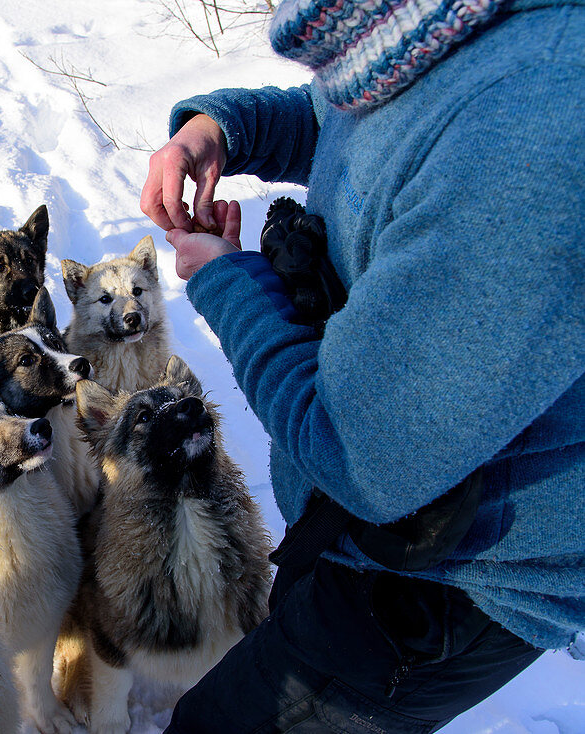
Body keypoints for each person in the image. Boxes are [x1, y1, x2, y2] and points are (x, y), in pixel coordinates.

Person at [140, 0, 585, 730]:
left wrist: (225, 281)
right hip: (358, 528)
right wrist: (221, 129)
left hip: (442, 581)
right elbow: (353, 118)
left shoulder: (537, 117)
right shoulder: (429, 23)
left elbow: (359, 450)